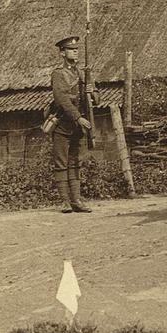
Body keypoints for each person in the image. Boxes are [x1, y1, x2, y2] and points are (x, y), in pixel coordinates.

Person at [50, 36, 98, 213]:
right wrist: (78, 117)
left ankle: (76, 200)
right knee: (61, 163)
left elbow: (97, 99)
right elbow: (61, 99)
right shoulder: (58, 74)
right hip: (63, 124)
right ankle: (65, 201)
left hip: (79, 127)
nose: (75, 51)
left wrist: (91, 91)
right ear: (62, 53)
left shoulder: (82, 73)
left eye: (77, 49)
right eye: (71, 49)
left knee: (76, 162)